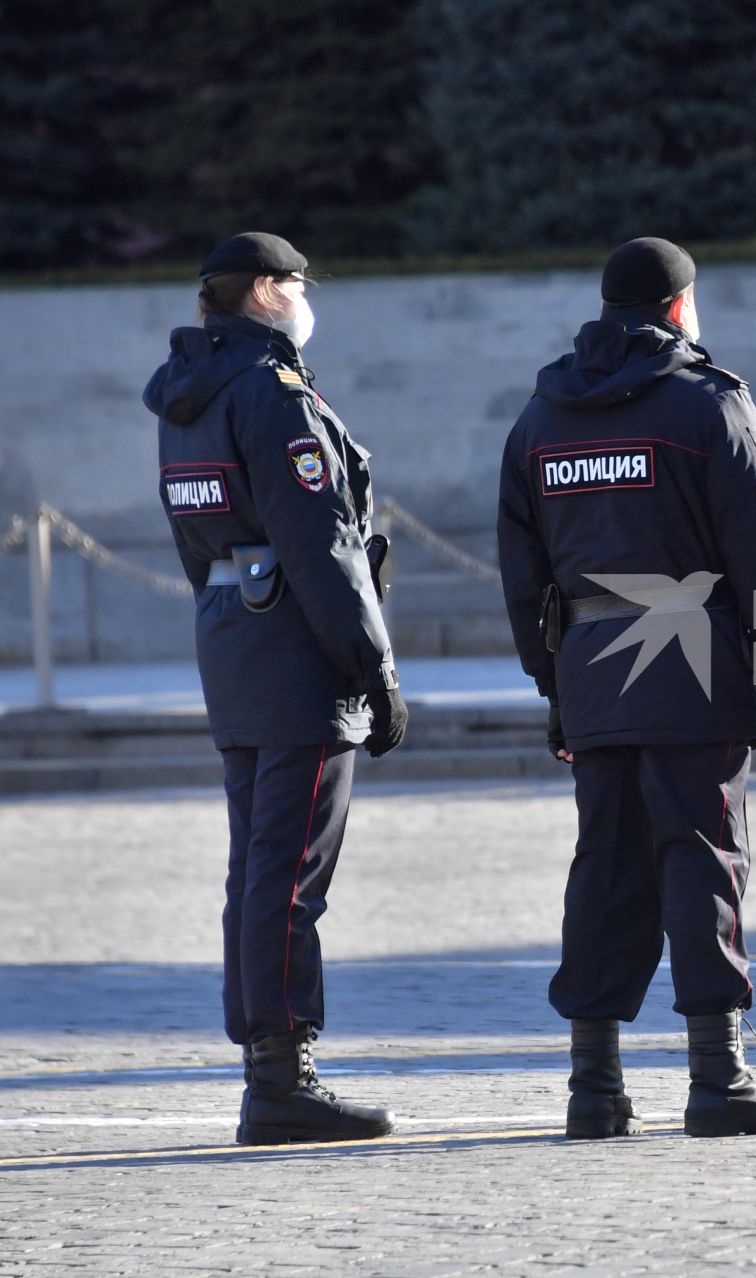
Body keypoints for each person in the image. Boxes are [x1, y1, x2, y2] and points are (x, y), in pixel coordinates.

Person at [497, 237, 756, 1140]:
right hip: (693, 655)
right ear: (680, 308)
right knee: (702, 856)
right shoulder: (709, 406)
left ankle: (593, 1089)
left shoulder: (541, 419)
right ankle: (719, 1080)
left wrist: (553, 688)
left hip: (593, 670)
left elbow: (523, 575)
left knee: (605, 866)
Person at [146, 231, 408, 1145]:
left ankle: (267, 1066)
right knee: (290, 873)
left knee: (256, 871)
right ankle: (282, 1078)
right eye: (295, 283)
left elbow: (193, 537)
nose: (304, 297)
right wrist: (371, 666)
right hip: (297, 650)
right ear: (263, 291)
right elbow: (321, 541)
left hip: (233, 637)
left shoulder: (189, 393)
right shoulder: (271, 392)